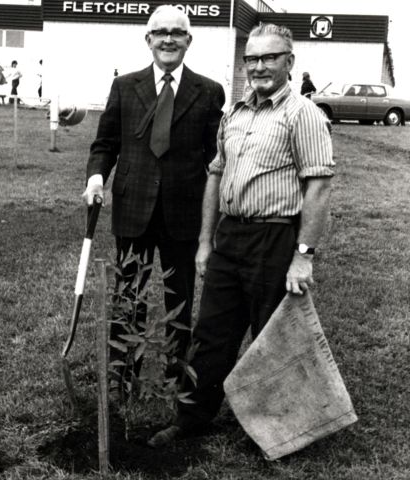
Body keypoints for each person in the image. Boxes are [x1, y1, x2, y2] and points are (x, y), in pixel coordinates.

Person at [149, 23, 335, 448]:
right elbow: (215, 174)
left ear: (289, 61)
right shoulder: (235, 113)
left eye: (270, 57)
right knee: (212, 331)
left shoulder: (302, 114)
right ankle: (192, 416)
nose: (259, 67)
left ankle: (280, 428)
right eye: (252, 59)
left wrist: (303, 254)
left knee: (273, 337)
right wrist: (204, 241)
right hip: (230, 237)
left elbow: (319, 185)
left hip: (275, 238)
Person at [82, 5, 225, 385]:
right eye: (160, 32)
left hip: (184, 211)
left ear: (188, 41)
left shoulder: (209, 91)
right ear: (148, 40)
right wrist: (97, 178)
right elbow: (105, 143)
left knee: (180, 300)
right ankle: (121, 380)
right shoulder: (125, 86)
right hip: (133, 208)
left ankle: (178, 380)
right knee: (128, 296)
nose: (168, 39)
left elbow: (217, 157)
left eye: (177, 32)